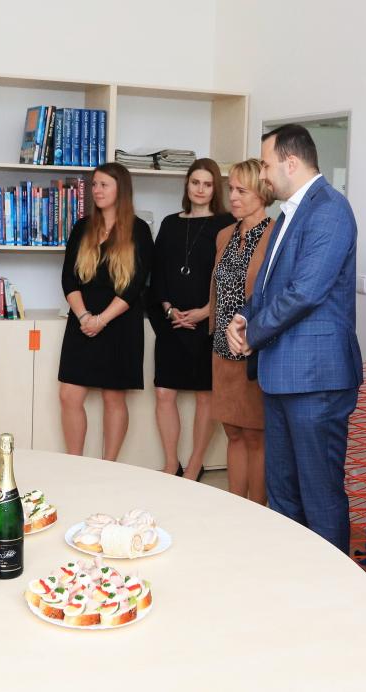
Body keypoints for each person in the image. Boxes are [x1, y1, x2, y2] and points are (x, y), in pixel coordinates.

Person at [226, 123, 361, 551]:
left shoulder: (330, 210)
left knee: (319, 496)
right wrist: (243, 316)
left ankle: (331, 586)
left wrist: (253, 334)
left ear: (291, 162)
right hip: (283, 375)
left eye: (266, 165)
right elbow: (270, 287)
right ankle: (292, 575)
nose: (263, 175)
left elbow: (306, 291)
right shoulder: (289, 213)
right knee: (283, 493)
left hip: (315, 379)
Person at [58, 162, 154, 461]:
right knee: (69, 395)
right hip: (82, 320)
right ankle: (75, 463)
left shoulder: (139, 230)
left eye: (104, 185)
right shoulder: (82, 227)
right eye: (94, 184)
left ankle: (108, 466)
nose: (97, 190)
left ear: (120, 189)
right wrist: (85, 317)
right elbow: (68, 278)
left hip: (120, 322)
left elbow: (135, 285)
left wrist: (102, 320)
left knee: (114, 398)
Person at [149, 158, 234, 480]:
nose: (200, 189)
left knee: (205, 396)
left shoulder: (226, 224)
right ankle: (172, 462)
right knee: (163, 393)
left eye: (207, 184)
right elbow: (157, 272)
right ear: (187, 185)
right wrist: (169, 309)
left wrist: (206, 311)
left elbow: (230, 277)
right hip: (172, 322)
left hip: (207, 324)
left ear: (215, 189)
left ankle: (196, 464)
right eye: (195, 182)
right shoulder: (170, 223)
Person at [210, 158, 272, 503]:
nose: (232, 197)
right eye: (230, 189)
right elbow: (218, 292)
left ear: (262, 193)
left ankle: (257, 510)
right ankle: (234, 506)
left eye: (241, 191)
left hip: (254, 352)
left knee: (255, 436)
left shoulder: (276, 235)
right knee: (232, 432)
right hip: (222, 349)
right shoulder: (225, 235)